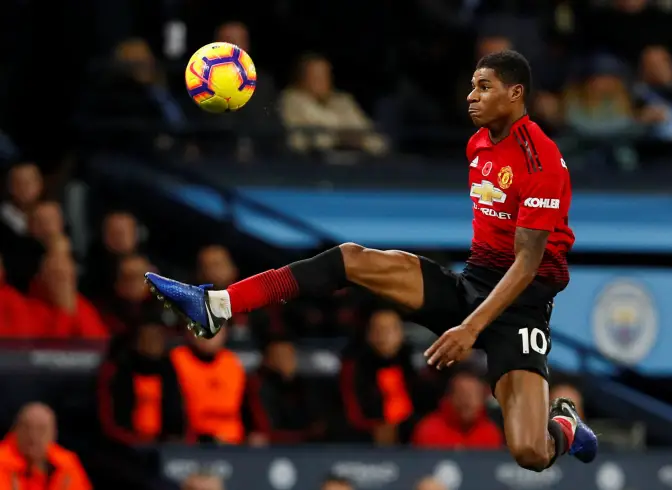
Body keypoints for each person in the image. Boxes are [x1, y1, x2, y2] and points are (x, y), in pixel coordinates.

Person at [145, 50, 597, 472]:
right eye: (472, 86)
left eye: (483, 87)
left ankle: (565, 422)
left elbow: (527, 263)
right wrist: (465, 314)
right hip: (471, 284)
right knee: (350, 259)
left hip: (519, 306)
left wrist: (471, 328)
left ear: (516, 94)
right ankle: (217, 306)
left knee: (530, 453)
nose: (470, 96)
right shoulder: (479, 143)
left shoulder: (542, 162)